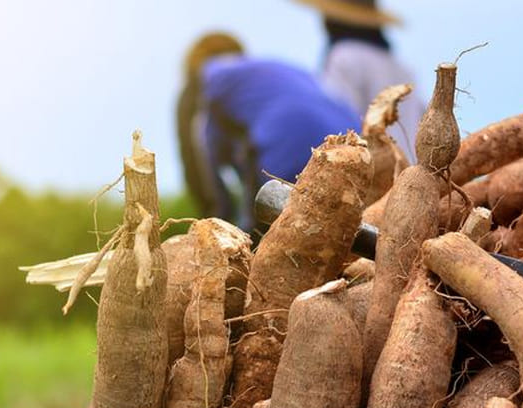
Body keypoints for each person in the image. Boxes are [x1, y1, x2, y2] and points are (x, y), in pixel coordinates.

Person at [176, 32, 360, 236]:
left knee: (272, 234)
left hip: (291, 141)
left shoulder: (208, 76)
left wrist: (217, 222)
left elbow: (200, 161)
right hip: (350, 141)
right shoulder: (270, 70)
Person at [297, 0, 424, 154]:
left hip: (370, 169)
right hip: (411, 170)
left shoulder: (343, 56)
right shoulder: (402, 68)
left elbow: (338, 122)